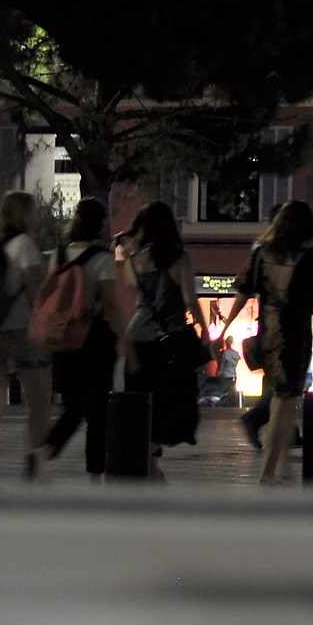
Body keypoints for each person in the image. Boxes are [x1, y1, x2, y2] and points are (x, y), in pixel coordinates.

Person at [217, 199, 313, 483]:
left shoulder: (261, 255)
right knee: (284, 401)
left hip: (268, 334)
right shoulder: (309, 258)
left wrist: (225, 330)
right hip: (295, 338)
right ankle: (269, 469)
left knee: (285, 400)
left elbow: (243, 293)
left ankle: (281, 463)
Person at [25, 197, 128, 479]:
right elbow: (109, 304)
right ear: (101, 223)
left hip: (63, 337)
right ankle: (95, 476)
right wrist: (124, 339)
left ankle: (44, 451)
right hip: (95, 338)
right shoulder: (102, 258)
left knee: (72, 407)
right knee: (98, 413)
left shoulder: (58, 255)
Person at [120, 201, 204, 473]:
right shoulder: (180, 258)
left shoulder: (133, 260)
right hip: (168, 340)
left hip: (137, 337)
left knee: (140, 408)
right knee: (176, 403)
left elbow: (134, 288)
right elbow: (190, 299)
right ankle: (150, 462)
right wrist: (204, 332)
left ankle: (150, 470)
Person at [0, 189, 53, 473]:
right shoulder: (25, 244)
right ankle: (34, 464)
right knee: (40, 399)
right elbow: (36, 291)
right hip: (21, 333)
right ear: (25, 214)